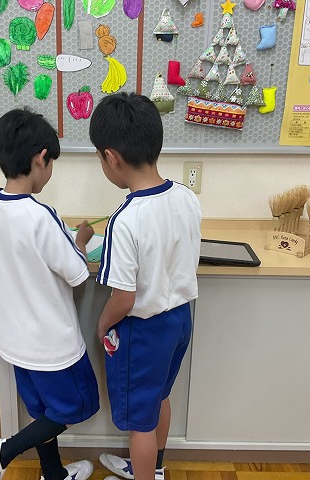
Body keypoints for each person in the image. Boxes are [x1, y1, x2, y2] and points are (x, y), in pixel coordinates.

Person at [0, 108, 100, 480]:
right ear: (41, 158)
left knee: (42, 412)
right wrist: (80, 240)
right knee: (77, 406)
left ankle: (53, 473)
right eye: (51, 162)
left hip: (15, 343)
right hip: (53, 346)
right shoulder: (42, 216)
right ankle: (3, 452)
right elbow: (77, 274)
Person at [88, 93, 202, 480]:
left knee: (140, 422)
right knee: (159, 398)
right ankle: (154, 469)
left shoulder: (126, 219)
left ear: (111, 157)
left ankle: (144, 472)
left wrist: (102, 325)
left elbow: (124, 298)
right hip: (180, 321)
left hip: (143, 332)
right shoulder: (186, 197)